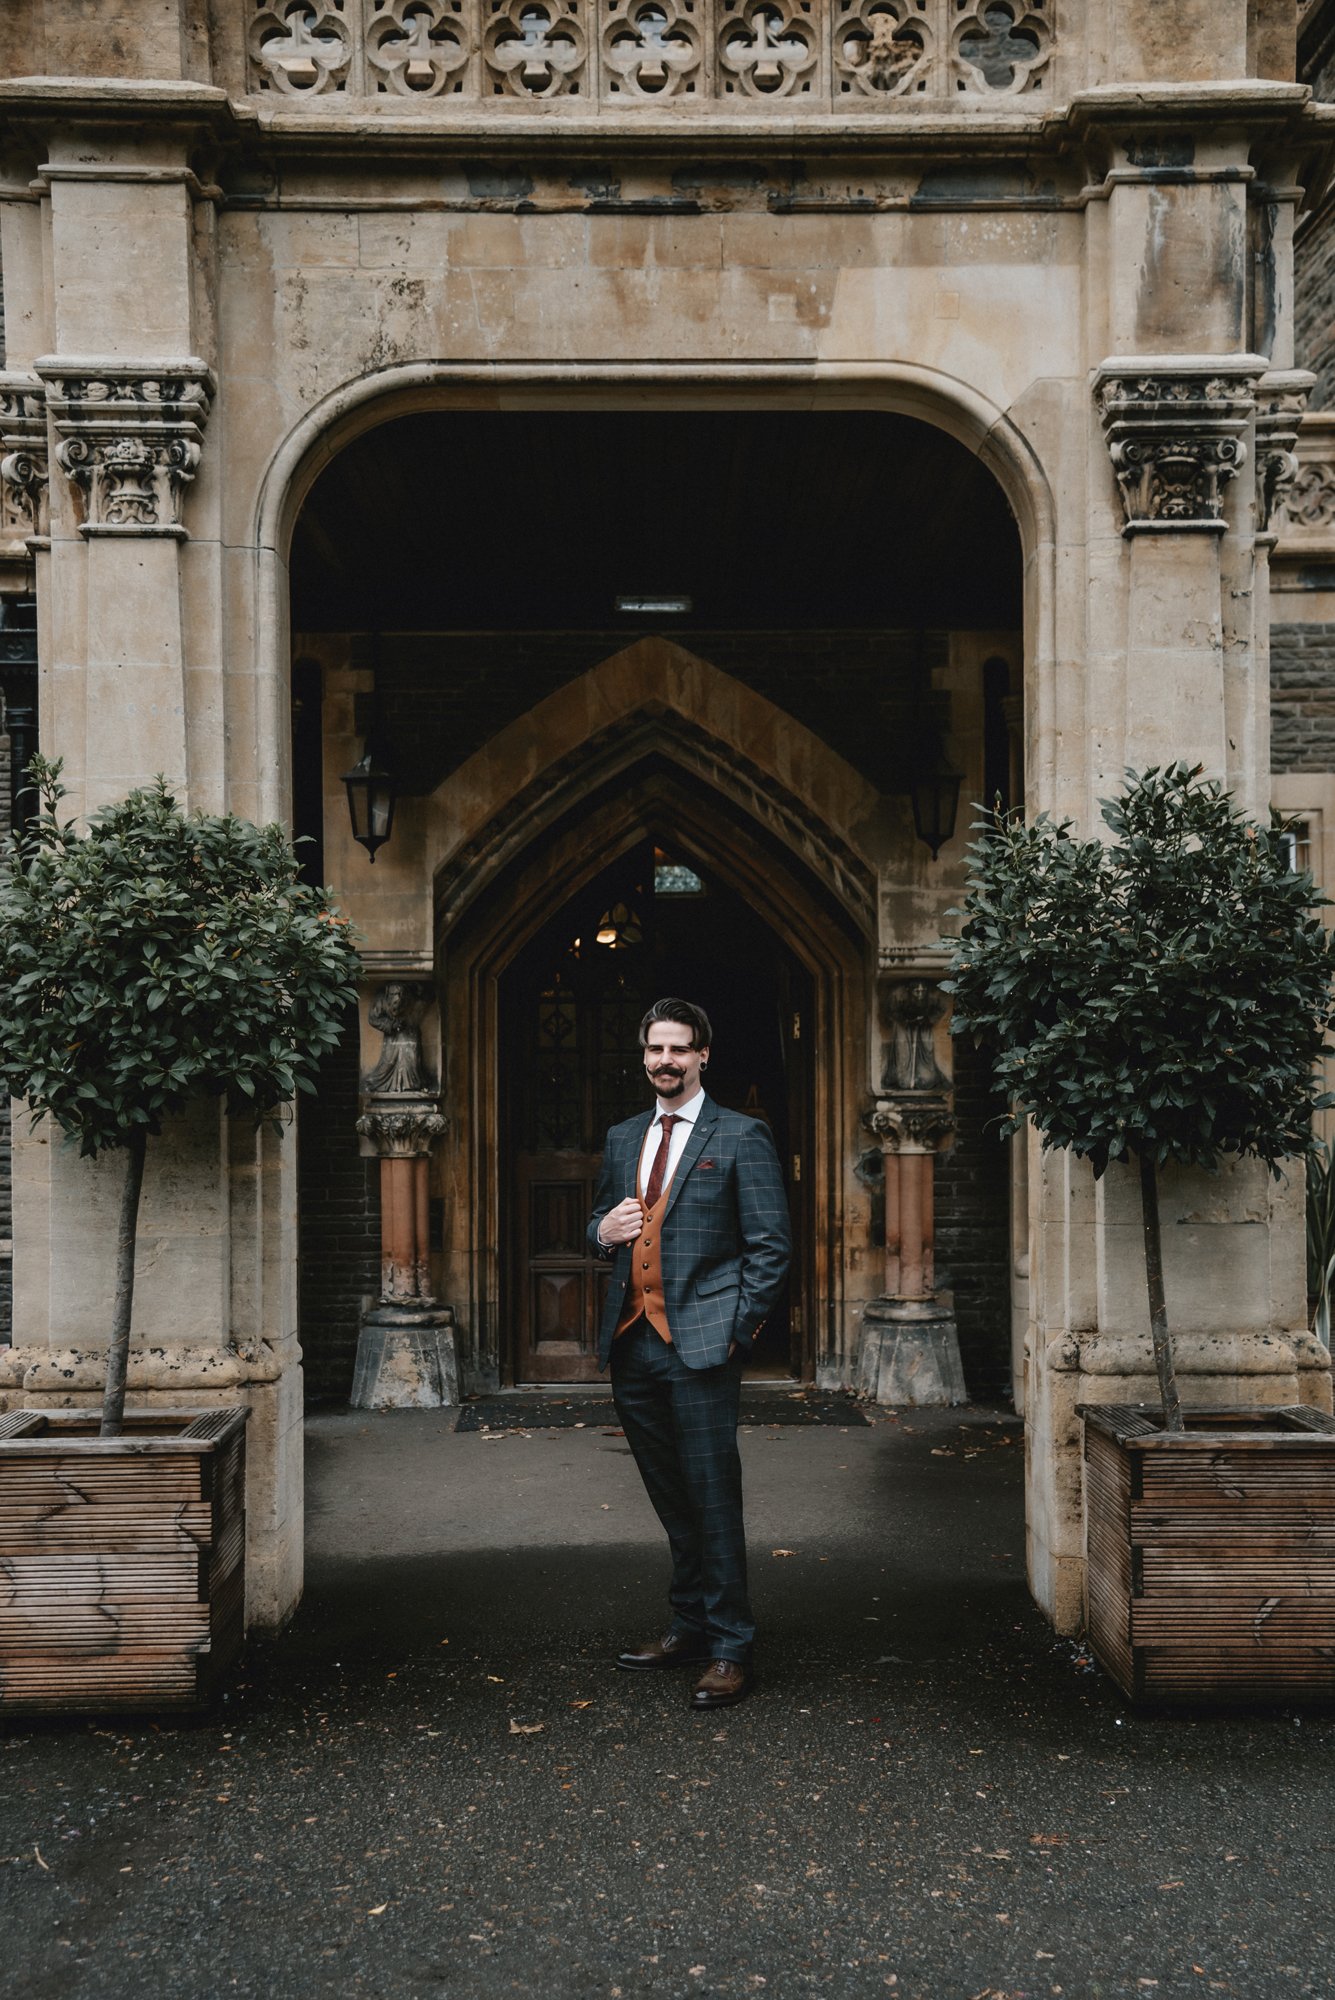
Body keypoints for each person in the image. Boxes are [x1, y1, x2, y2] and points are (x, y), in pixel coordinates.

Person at [588, 997, 791, 1709]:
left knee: (711, 1495)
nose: (664, 1062)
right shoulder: (622, 1137)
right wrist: (601, 1231)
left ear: (702, 1055)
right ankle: (690, 1625)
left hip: (702, 1346)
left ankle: (731, 1646)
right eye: (654, 1050)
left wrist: (738, 1331)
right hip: (631, 1340)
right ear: (642, 1055)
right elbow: (602, 1221)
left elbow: (770, 1246)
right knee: (670, 1494)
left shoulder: (741, 1136)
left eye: (677, 1050)